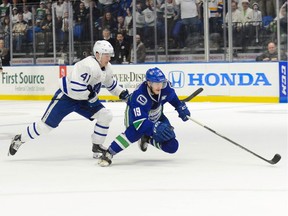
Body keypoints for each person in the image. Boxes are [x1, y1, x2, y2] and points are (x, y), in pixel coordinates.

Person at [8, 40, 130, 158]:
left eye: (110, 55)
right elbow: (76, 88)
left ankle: (97, 146)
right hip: (66, 98)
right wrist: (91, 97)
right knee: (44, 127)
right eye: (106, 55)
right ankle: (19, 139)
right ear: (97, 54)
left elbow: (111, 84)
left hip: (84, 100)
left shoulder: (107, 68)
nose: (109, 58)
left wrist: (123, 94)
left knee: (105, 115)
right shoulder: (86, 65)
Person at [98, 67, 191, 167]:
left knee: (172, 146)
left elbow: (173, 99)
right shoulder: (139, 96)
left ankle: (147, 139)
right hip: (136, 117)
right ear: (149, 83)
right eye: (156, 84)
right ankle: (108, 153)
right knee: (134, 133)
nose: (160, 86)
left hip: (157, 115)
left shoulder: (165, 87)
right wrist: (154, 128)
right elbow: (140, 123)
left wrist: (180, 107)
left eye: (161, 83)